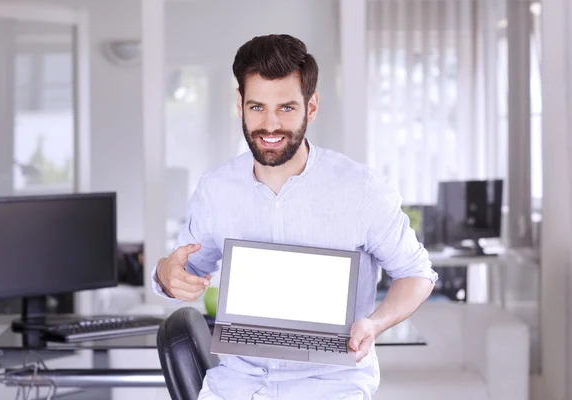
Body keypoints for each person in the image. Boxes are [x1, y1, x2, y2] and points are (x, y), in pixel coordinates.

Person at [152, 34, 437, 400]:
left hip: (330, 387)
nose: (270, 125)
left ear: (311, 106)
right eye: (257, 107)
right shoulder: (216, 189)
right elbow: (180, 272)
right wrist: (167, 273)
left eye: (286, 108)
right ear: (239, 104)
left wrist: (375, 323)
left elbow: (417, 274)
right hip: (237, 388)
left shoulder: (361, 189)